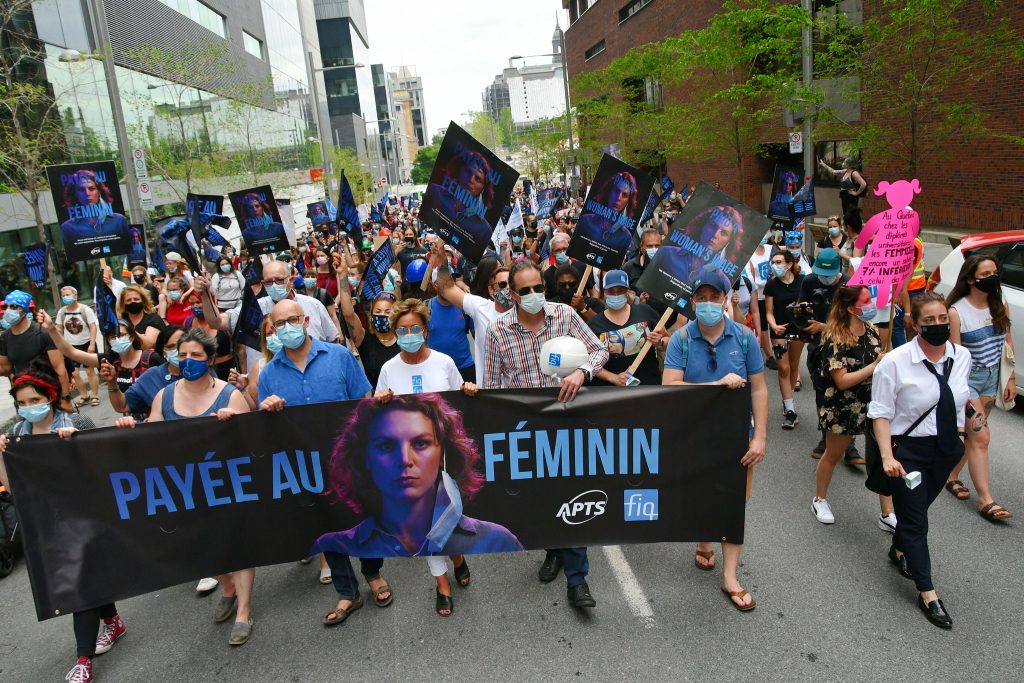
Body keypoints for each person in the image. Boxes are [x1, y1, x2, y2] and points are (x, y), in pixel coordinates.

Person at [312, 393, 523, 606]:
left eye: (421, 443)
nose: (405, 460)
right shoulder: (335, 543)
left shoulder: (498, 539)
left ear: (442, 454)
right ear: (365, 457)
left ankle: (457, 562)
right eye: (386, 446)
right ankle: (444, 583)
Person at [257, 299, 393, 623]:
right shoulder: (269, 374)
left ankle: (373, 573)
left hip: (350, 455)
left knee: (363, 516)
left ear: (306, 321)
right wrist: (268, 408)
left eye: (293, 320)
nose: (287, 328)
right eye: (280, 324)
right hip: (306, 465)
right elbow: (265, 428)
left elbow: (362, 400)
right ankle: (347, 592)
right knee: (326, 525)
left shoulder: (339, 356)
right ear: (273, 329)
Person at [483, 259, 608, 609]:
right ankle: (554, 550)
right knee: (541, 499)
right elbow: (491, 384)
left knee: (572, 494)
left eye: (538, 287)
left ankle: (578, 581)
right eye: (525, 290)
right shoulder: (497, 330)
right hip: (528, 429)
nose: (534, 294)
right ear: (512, 294)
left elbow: (600, 350)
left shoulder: (564, 315)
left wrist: (582, 372)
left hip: (569, 424)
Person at [115, 328, 254, 644]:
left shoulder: (229, 395)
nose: (188, 360)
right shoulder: (165, 396)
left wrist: (235, 423)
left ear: (211, 360)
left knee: (238, 546)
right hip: (183, 488)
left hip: (227, 483)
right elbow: (150, 438)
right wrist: (130, 427)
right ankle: (228, 587)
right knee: (194, 549)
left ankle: (244, 611)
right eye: (183, 354)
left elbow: (251, 442)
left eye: (196, 355)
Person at [0, 364, 115, 683]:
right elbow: (12, 487)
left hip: (87, 518)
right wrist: (1, 456)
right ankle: (113, 621)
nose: (28, 407)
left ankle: (83, 659)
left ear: (50, 397)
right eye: (22, 403)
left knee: (81, 583)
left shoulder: (77, 422)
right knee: (87, 579)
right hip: (49, 523)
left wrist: (75, 447)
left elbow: (103, 469)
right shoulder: (17, 435)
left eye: (34, 400)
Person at [662, 270, 768, 611]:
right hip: (693, 433)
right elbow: (670, 386)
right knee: (701, 494)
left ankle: (730, 576)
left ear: (725, 300)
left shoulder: (745, 338)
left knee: (733, 503)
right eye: (702, 297)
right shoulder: (680, 339)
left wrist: (760, 437)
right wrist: (715, 385)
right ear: (693, 301)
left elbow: (759, 388)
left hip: (737, 436)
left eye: (715, 297)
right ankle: (704, 541)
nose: (708, 303)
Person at [370, 298, 482, 616]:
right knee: (424, 524)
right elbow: (376, 414)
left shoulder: (444, 363)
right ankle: (442, 585)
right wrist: (380, 401)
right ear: (395, 333)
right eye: (402, 330)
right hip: (409, 464)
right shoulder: (389, 369)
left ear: (425, 330)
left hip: (445, 459)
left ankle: (457, 558)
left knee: (448, 518)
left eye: (415, 328)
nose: (409, 335)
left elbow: (459, 405)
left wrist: (469, 390)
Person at [868, 292, 971, 629]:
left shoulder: (962, 356)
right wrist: (887, 456)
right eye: (929, 321)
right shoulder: (895, 362)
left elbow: (959, 400)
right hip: (907, 452)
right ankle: (928, 592)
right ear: (914, 324)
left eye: (942, 319)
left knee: (919, 508)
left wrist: (964, 432)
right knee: (916, 521)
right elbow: (880, 413)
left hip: (946, 450)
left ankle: (899, 549)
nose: (938, 325)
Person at [810, 286, 895, 530]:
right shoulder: (835, 337)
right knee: (833, 454)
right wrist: (875, 365)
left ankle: (887, 513)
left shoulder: (872, 330)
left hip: (873, 404)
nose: (872, 304)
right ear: (850, 308)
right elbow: (842, 381)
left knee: (883, 456)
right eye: (866, 301)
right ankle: (820, 500)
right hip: (843, 406)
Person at [944, 255, 1016, 520]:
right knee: (981, 437)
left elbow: (1007, 342)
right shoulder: (956, 312)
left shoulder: (1000, 303)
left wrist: (1010, 379)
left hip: (992, 377)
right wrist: (961, 392)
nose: (993, 278)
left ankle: (951, 476)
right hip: (969, 381)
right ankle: (986, 500)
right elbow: (956, 357)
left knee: (972, 438)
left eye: (995, 272)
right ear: (971, 279)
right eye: (986, 274)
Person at [195, 259, 337, 371]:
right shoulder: (253, 308)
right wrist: (205, 295)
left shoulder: (314, 305)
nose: (274, 285)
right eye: (268, 282)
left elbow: (333, 341)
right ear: (263, 283)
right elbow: (217, 322)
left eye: (279, 280)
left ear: (291, 280)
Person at [37, 310, 162, 420]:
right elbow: (71, 352)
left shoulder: (152, 359)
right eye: (113, 337)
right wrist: (52, 329)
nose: (117, 340)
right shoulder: (109, 361)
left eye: (121, 335)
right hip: (130, 420)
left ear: (132, 337)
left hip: (158, 417)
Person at [796, 248, 856, 460]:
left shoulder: (849, 285)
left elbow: (856, 321)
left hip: (845, 344)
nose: (825, 279)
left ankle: (849, 444)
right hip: (818, 346)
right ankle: (825, 437)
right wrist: (801, 312)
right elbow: (802, 308)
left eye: (828, 275)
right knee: (822, 393)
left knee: (847, 394)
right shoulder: (810, 281)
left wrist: (824, 327)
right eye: (821, 273)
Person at [434, 255, 514, 385]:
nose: (508, 289)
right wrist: (442, 257)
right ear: (491, 290)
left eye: (512, 284)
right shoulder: (480, 307)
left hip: (519, 391)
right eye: (502, 284)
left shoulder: (526, 313)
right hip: (489, 391)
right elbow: (446, 288)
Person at [587, 269, 666, 386]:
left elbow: (667, 339)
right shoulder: (594, 324)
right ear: (604, 292)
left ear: (627, 291)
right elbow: (588, 362)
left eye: (621, 290)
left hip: (649, 385)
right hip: (611, 391)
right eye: (611, 291)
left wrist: (660, 343)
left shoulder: (645, 311)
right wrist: (613, 378)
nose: (616, 295)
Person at [0, 290, 72, 411]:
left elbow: (60, 369)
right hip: (23, 399)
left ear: (24, 310)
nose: (8, 310)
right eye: (5, 307)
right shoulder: (4, 338)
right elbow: (5, 368)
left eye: (13, 306)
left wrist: (65, 398)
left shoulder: (43, 333)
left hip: (48, 396)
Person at [763, 249, 805, 429]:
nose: (775, 265)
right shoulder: (771, 285)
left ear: (789, 264)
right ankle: (790, 411)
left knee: (794, 365)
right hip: (778, 330)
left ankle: (788, 400)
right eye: (773, 262)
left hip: (798, 328)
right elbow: (769, 312)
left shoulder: (802, 281)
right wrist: (773, 326)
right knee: (783, 368)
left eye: (779, 262)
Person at [58, 168, 130, 246]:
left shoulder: (119, 220)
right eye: (81, 190)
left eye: (91, 189)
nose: (87, 193)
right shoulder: (67, 228)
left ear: (99, 192)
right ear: (75, 194)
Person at [55, 286, 100, 407]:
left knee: (89, 371)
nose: (66, 297)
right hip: (70, 347)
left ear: (75, 296)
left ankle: (95, 395)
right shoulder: (62, 312)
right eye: (63, 295)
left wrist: (92, 344)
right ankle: (84, 395)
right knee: (74, 373)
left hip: (86, 344)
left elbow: (93, 327)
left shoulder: (85, 310)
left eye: (68, 294)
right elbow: (59, 328)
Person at [574, 171, 638, 255]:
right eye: (616, 191)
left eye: (624, 195)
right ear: (609, 191)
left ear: (628, 202)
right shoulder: (585, 221)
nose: (618, 198)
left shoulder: (626, 237)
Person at [118, 284, 166, 348]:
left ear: (143, 301)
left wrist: (128, 330)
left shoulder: (153, 319)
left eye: (136, 299)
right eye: (128, 300)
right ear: (123, 303)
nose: (133, 302)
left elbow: (149, 344)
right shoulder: (121, 320)